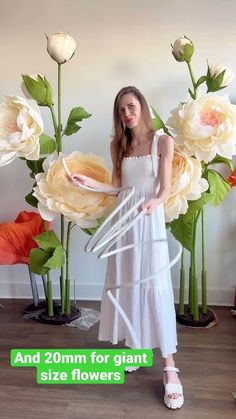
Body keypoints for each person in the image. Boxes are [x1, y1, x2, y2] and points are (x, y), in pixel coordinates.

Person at [70, 86, 184, 409]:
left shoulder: (163, 141)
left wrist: (153, 205)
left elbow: (163, 190)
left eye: (131, 107)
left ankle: (169, 368)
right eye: (121, 110)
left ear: (142, 107)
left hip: (149, 221)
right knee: (129, 283)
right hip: (125, 224)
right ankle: (136, 345)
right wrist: (91, 184)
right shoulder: (118, 145)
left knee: (154, 285)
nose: (126, 114)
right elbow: (119, 189)